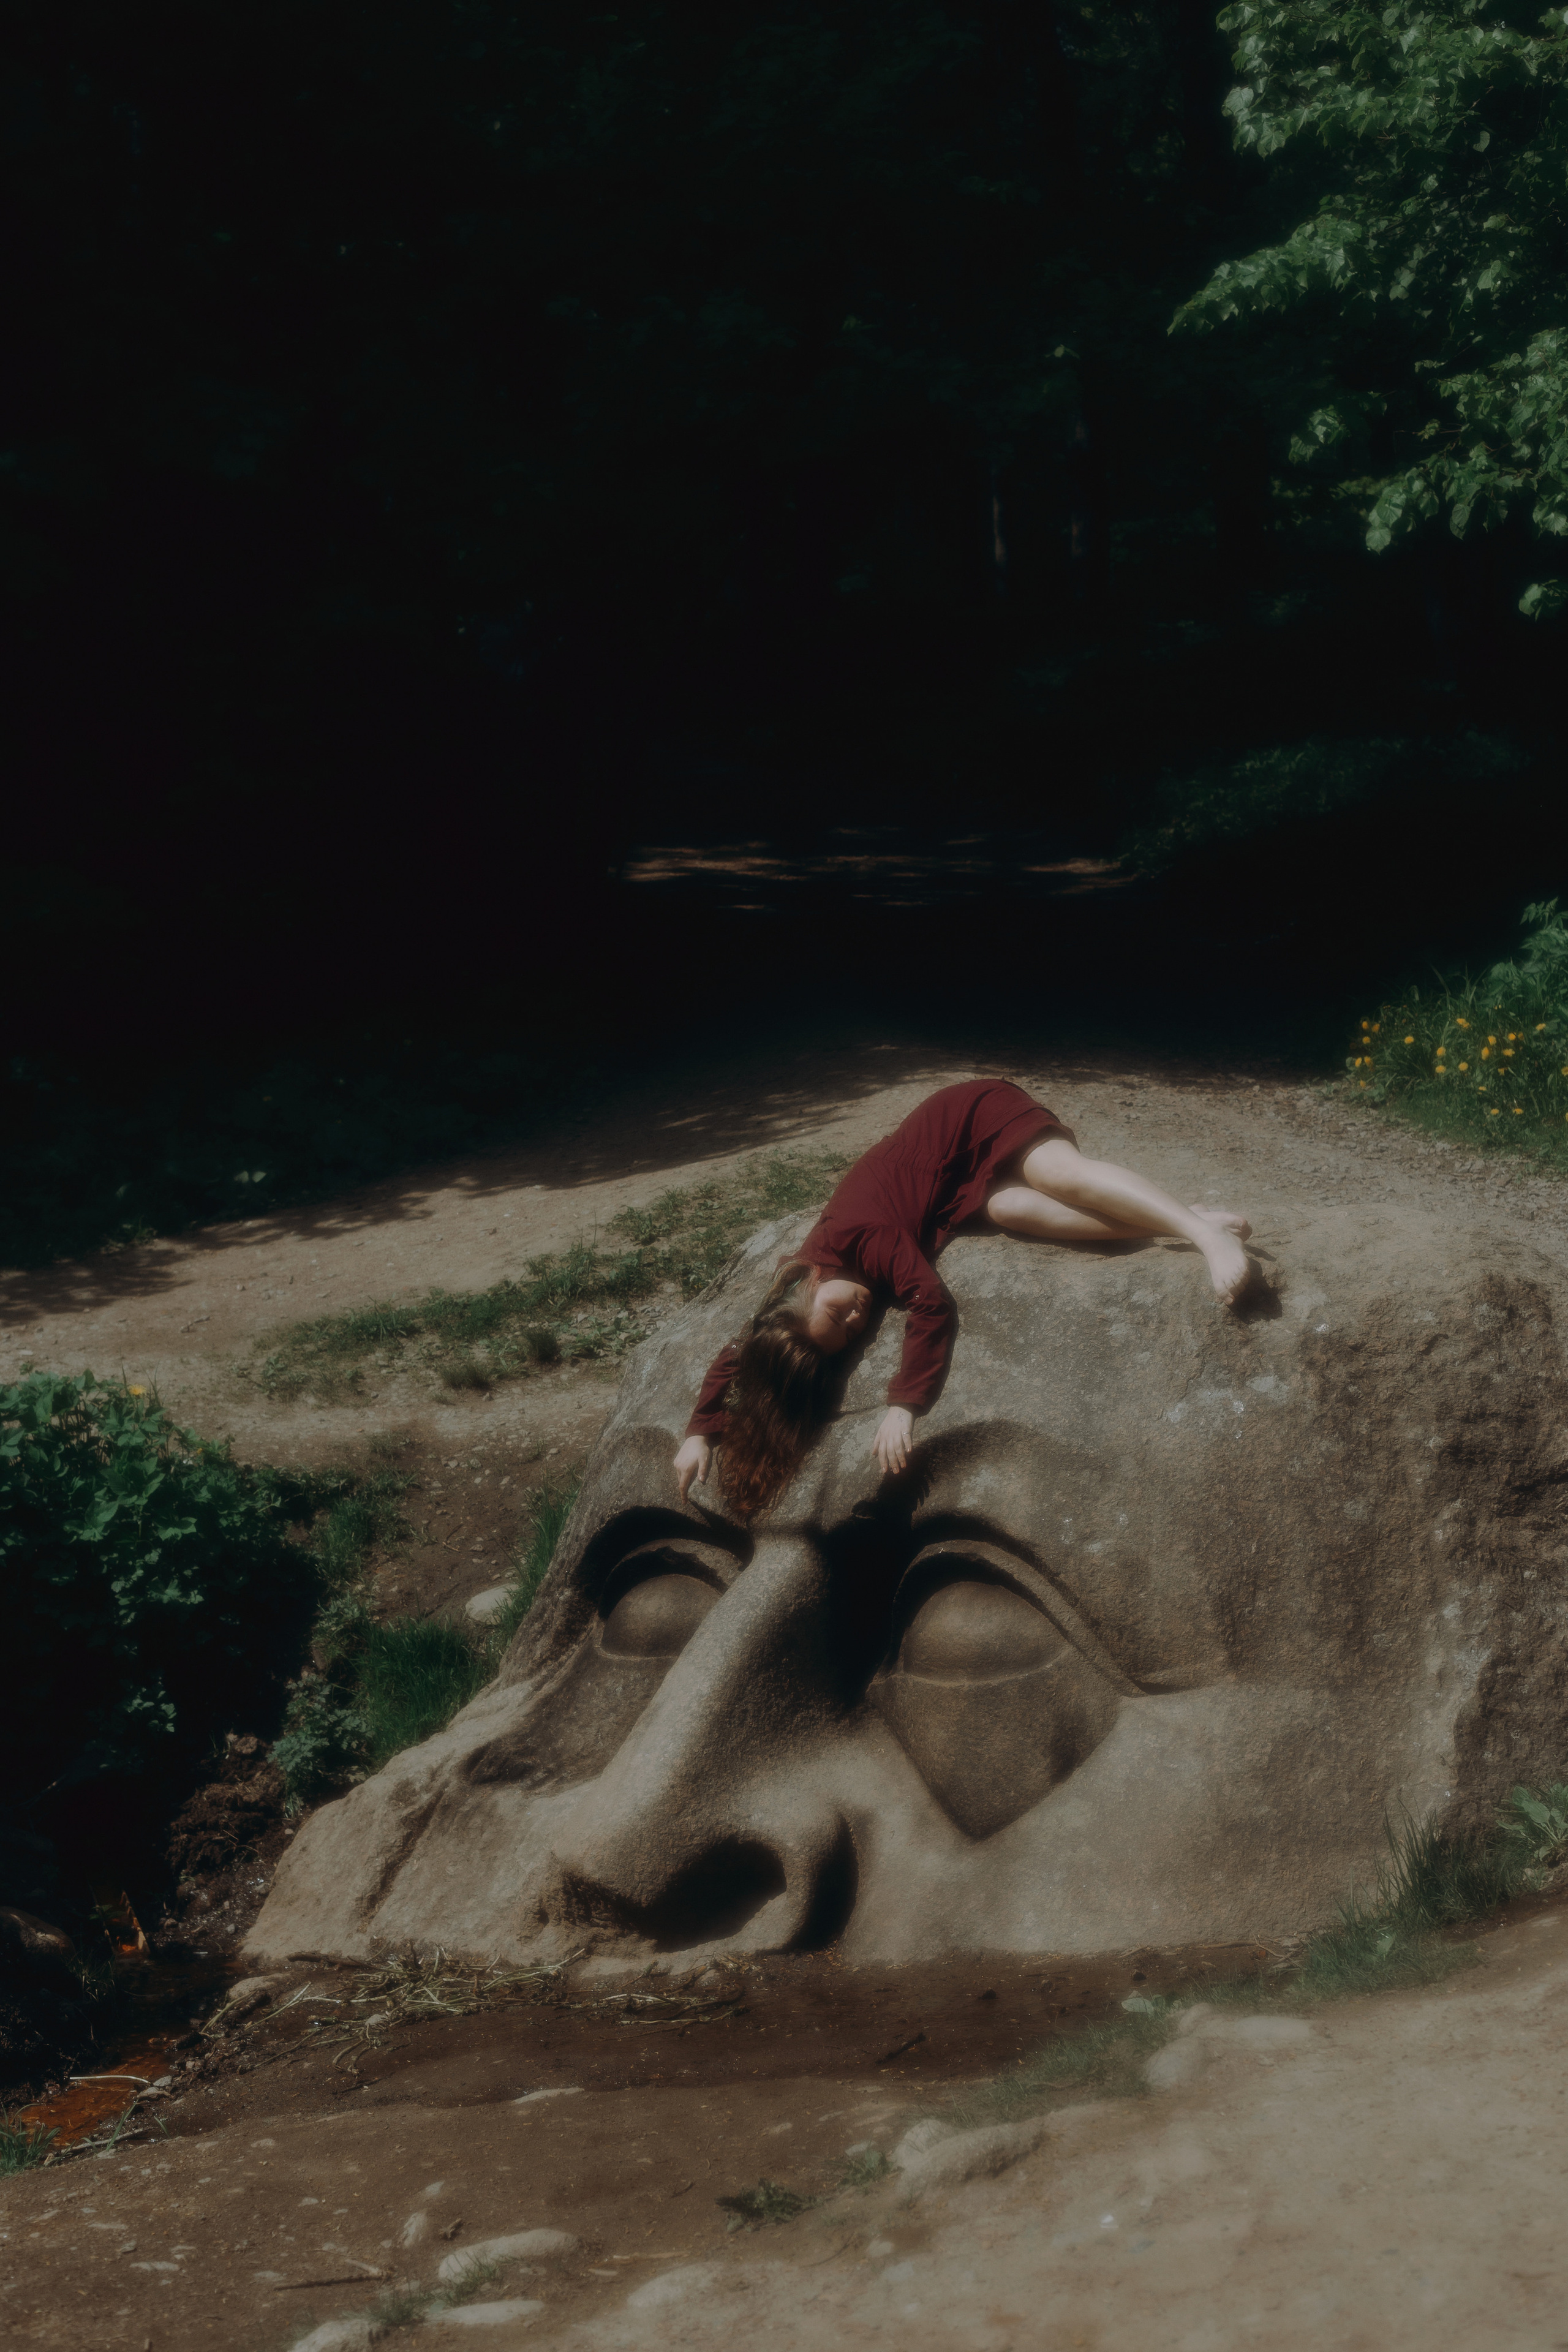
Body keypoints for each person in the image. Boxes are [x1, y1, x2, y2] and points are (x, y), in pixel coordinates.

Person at [671, 1078, 1251, 1518]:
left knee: (1058, 1175)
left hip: (969, 1120)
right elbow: (741, 1353)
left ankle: (1203, 1235)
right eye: (850, 1333)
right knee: (1014, 1209)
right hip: (954, 1189)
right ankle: (1179, 1219)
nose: (856, 1318)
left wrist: (904, 1403)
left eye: (838, 1313)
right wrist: (700, 1432)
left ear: (812, 1285)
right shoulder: (808, 1299)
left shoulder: (861, 1239)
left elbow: (931, 1303)